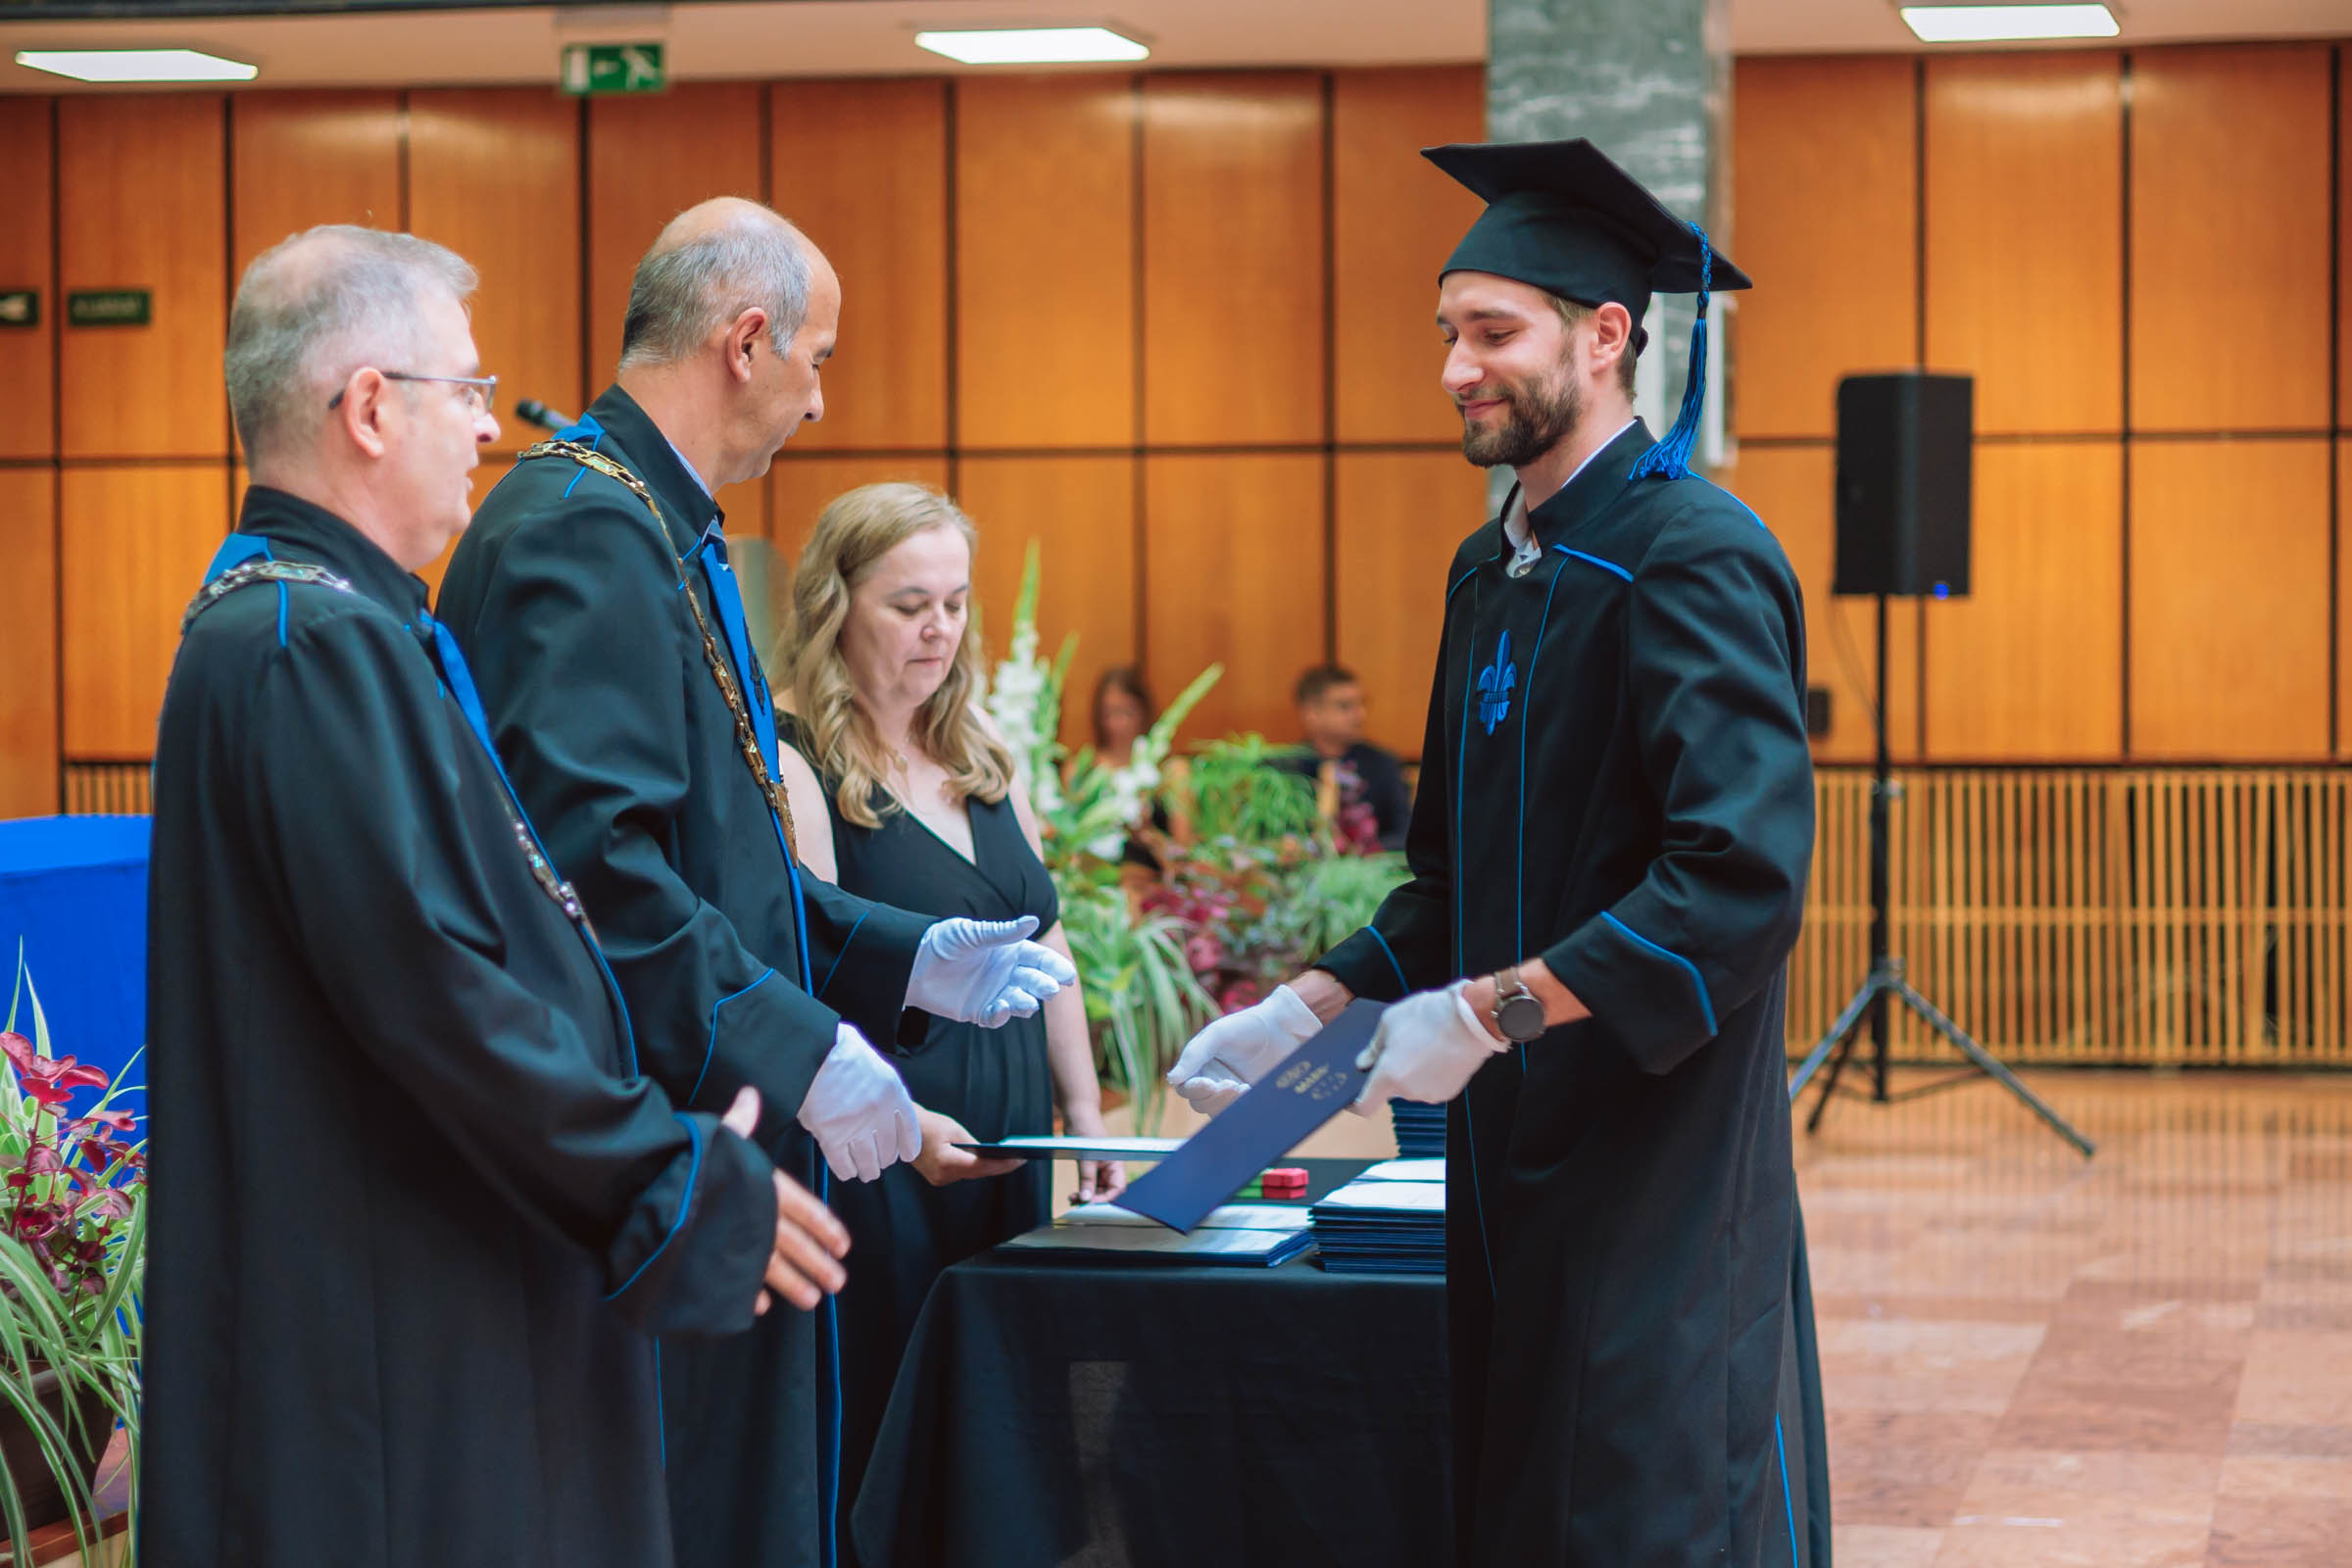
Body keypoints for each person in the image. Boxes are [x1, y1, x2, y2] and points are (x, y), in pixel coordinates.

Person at [1168, 140, 1829, 1566]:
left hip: (1649, 1170)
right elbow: (1448, 881)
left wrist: (1488, 1013)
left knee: (1640, 1507)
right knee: (1516, 1499)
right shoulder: (1491, 568)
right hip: (1497, 1162)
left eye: (1492, 332)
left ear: (1605, 336)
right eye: (1446, 334)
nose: (1455, 368)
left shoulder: (1694, 555)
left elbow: (1737, 883)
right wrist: (1310, 1005)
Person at [145, 225, 845, 1566]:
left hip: (408, 1288)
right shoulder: (308, 644)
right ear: (368, 409)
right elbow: (440, 989)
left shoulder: (327, 623)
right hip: (389, 1341)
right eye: (463, 388)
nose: (485, 425)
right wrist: (662, 1174)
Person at [436, 198, 1074, 1568]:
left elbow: (724, 867)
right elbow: (598, 877)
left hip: (709, 1137)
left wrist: (905, 957)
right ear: (745, 342)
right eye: (816, 359)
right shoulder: (582, 529)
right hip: (651, 1153)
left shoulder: (656, 523)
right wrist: (812, 1055)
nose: (819, 400)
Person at [773, 481, 1126, 1554]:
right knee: (893, 1419)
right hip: (887, 1158)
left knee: (999, 1426)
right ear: (837, 605)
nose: (940, 630)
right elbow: (808, 978)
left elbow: (1050, 946)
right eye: (909, 605)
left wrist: (1084, 1114)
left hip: (1007, 1149)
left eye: (957, 604)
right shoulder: (795, 760)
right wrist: (904, 1130)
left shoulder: (980, 751)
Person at [1271, 663, 1412, 851]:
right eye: (1345, 706)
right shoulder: (1283, 769)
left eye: (1362, 704)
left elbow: (1405, 834)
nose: (1361, 714)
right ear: (1312, 713)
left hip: (1369, 865)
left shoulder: (1382, 764)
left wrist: (1361, 851)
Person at [1083, 664, 1179, 873]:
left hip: (1155, 877)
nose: (1117, 724)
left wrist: (1151, 837)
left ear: (1144, 712)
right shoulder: (1083, 770)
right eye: (1109, 713)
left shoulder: (1170, 772)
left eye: (1126, 713)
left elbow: (1185, 850)